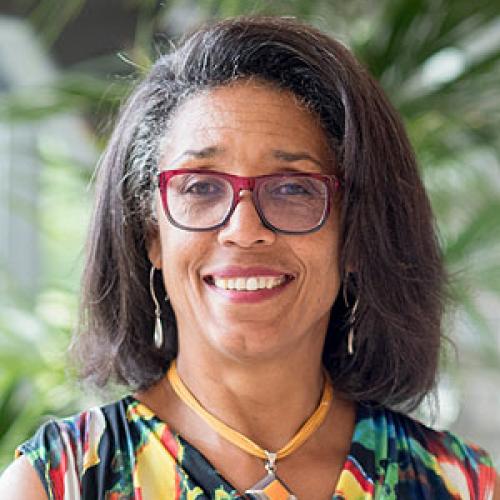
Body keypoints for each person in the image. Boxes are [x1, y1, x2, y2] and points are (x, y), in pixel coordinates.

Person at [0, 15, 498, 500]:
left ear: (356, 234)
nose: (244, 230)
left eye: (292, 188)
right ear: (151, 233)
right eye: (200, 187)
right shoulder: (59, 482)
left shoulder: (459, 484)